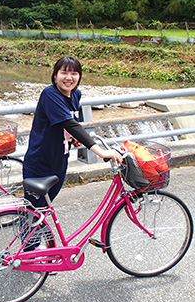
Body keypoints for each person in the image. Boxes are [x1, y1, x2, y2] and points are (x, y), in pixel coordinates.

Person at [23, 56, 123, 208]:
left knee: (44, 208)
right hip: (40, 163)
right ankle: (27, 231)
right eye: (64, 73)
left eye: (74, 73)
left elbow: (66, 123)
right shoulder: (50, 94)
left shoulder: (76, 94)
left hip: (60, 161)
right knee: (33, 210)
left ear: (79, 76)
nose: (69, 78)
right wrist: (101, 152)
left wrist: (72, 138)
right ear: (55, 75)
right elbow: (70, 124)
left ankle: (35, 230)